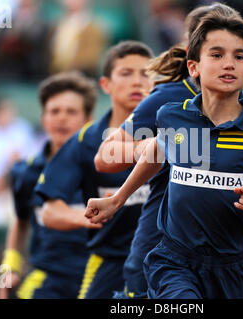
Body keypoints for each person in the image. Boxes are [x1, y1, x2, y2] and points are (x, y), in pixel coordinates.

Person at [93, 3, 243, 299]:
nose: (227, 62)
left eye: (239, 54)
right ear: (194, 55)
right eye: (216, 53)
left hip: (227, 262)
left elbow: (242, 159)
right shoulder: (170, 101)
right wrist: (160, 146)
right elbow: (106, 156)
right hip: (164, 253)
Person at [35, 41, 154, 299]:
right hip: (109, 262)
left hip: (165, 264)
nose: (137, 82)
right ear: (106, 85)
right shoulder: (85, 141)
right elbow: (49, 211)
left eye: (146, 74)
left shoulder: (175, 135)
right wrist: (85, 217)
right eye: (126, 73)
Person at [0, 71, 99, 299]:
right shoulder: (25, 171)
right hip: (47, 280)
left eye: (71, 112)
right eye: (54, 111)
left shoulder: (106, 169)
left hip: (98, 280)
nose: (62, 118)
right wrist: (8, 269)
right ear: (43, 119)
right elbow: (20, 221)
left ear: (88, 120)